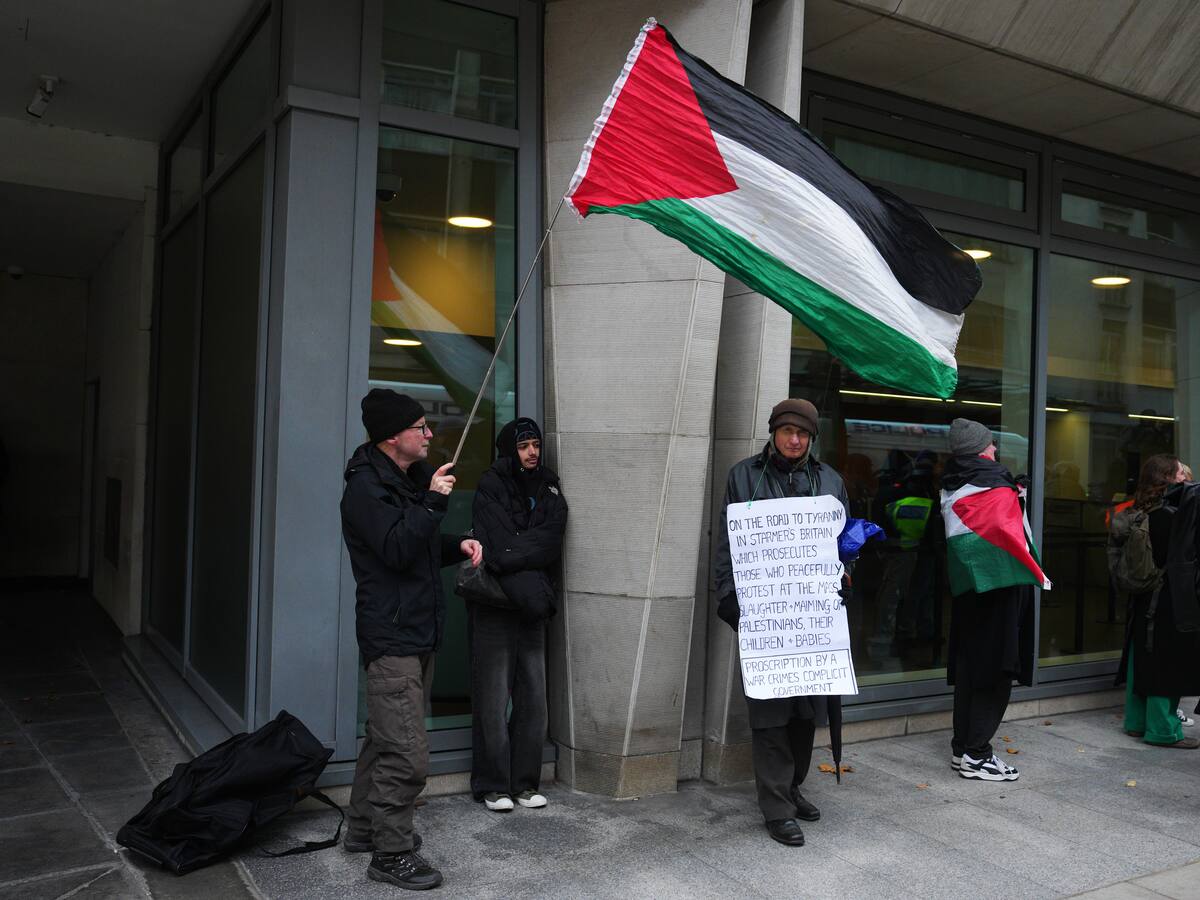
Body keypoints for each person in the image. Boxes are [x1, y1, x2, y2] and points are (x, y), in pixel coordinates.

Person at [340, 388, 483, 891]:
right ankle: (391, 853)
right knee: (406, 753)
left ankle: (362, 829)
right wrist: (435, 500)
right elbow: (398, 548)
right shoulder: (364, 489)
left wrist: (454, 545)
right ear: (391, 436)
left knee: (384, 738)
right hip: (393, 636)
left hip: (418, 630)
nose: (428, 434)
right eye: (420, 427)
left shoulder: (402, 480)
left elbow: (417, 543)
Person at [714, 398, 849, 848]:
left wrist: (845, 578)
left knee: (805, 714)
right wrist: (727, 596)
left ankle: (791, 788)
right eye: (788, 431)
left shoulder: (829, 479)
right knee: (769, 713)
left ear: (812, 438)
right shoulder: (743, 476)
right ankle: (776, 807)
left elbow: (842, 545)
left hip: (811, 617)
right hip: (765, 618)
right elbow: (727, 545)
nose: (795, 440)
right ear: (773, 432)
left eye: (803, 434)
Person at [467, 417, 567, 813]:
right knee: (492, 699)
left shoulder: (549, 486)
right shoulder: (491, 485)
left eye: (536, 445)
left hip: (531, 605)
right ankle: (493, 785)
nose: (532, 452)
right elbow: (496, 544)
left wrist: (514, 553)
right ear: (510, 449)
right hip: (494, 605)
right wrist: (519, 551)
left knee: (534, 699)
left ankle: (524, 783)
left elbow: (550, 540)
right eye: (524, 445)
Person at [941, 419, 1035, 782]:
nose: (996, 450)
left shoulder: (952, 482)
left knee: (969, 670)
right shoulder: (993, 481)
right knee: (995, 671)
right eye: (992, 445)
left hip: (969, 589)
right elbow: (1008, 538)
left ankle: (962, 747)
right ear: (981, 448)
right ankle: (978, 755)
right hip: (999, 589)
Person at [1113, 454, 1200, 749]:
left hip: (1140, 596)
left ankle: (1136, 722)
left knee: (1141, 658)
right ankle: (1163, 730)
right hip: (1168, 597)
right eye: (1180, 474)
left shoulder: (1136, 510)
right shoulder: (1172, 515)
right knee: (1168, 661)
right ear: (1168, 479)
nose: (1186, 480)